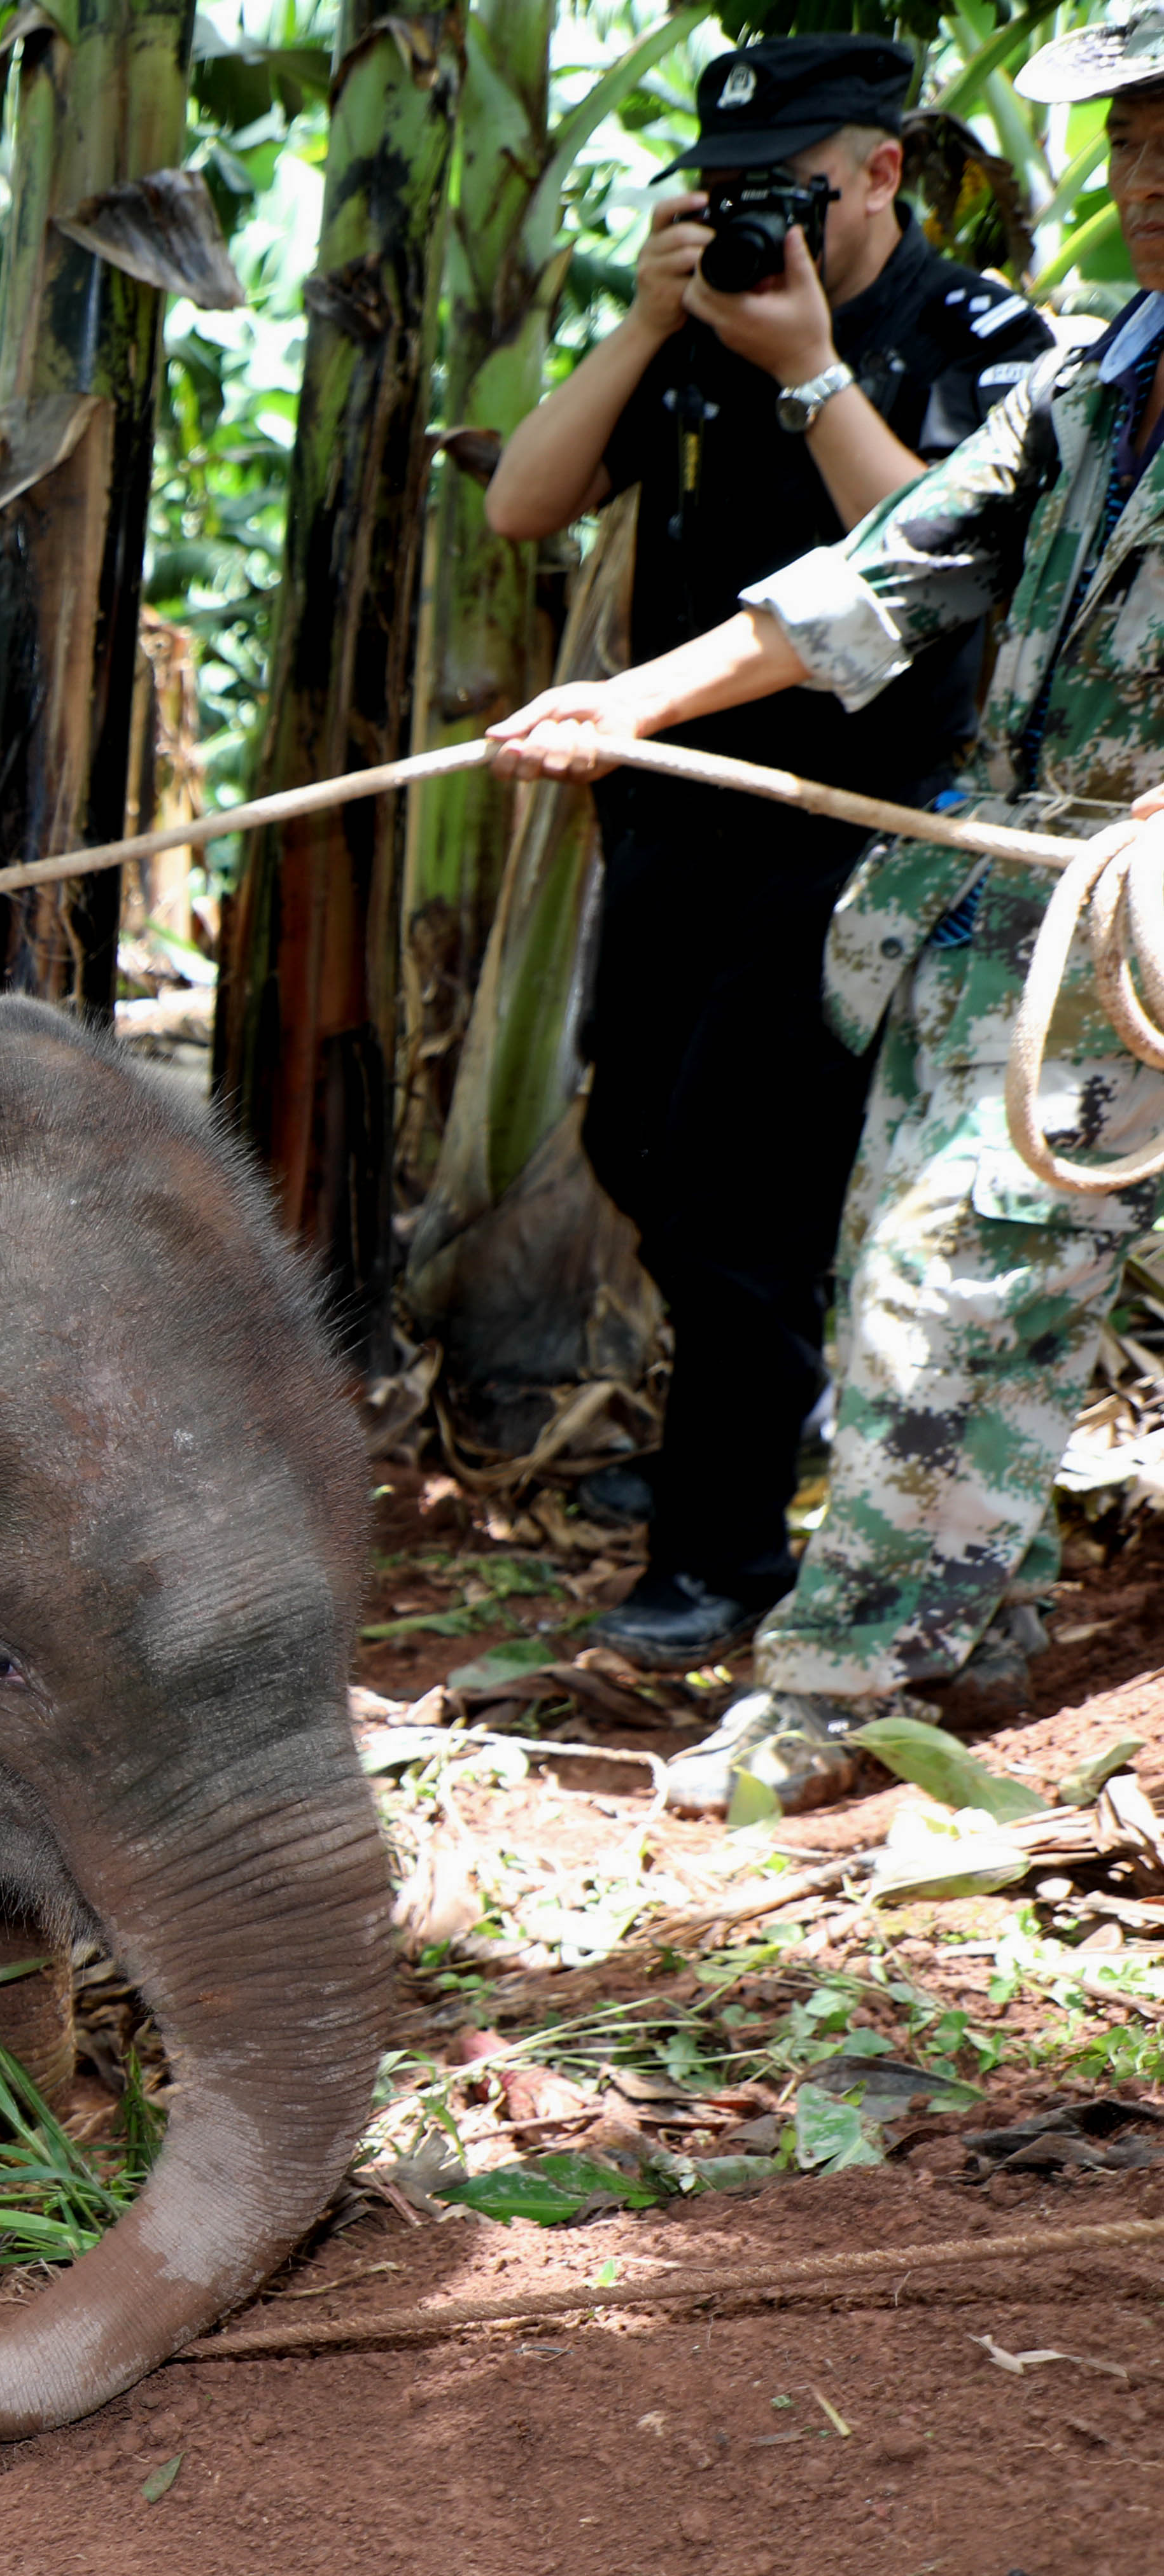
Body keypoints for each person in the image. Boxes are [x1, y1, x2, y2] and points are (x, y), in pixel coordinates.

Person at [491, 14, 1164, 1816]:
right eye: (1130, 136)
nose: (1151, 173)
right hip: (998, 903)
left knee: (955, 1271)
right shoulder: (1095, 377)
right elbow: (881, 571)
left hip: (1127, 905)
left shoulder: (983, 336)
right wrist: (625, 700)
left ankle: (840, 1687)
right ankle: (981, 1622)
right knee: (901, 1265)